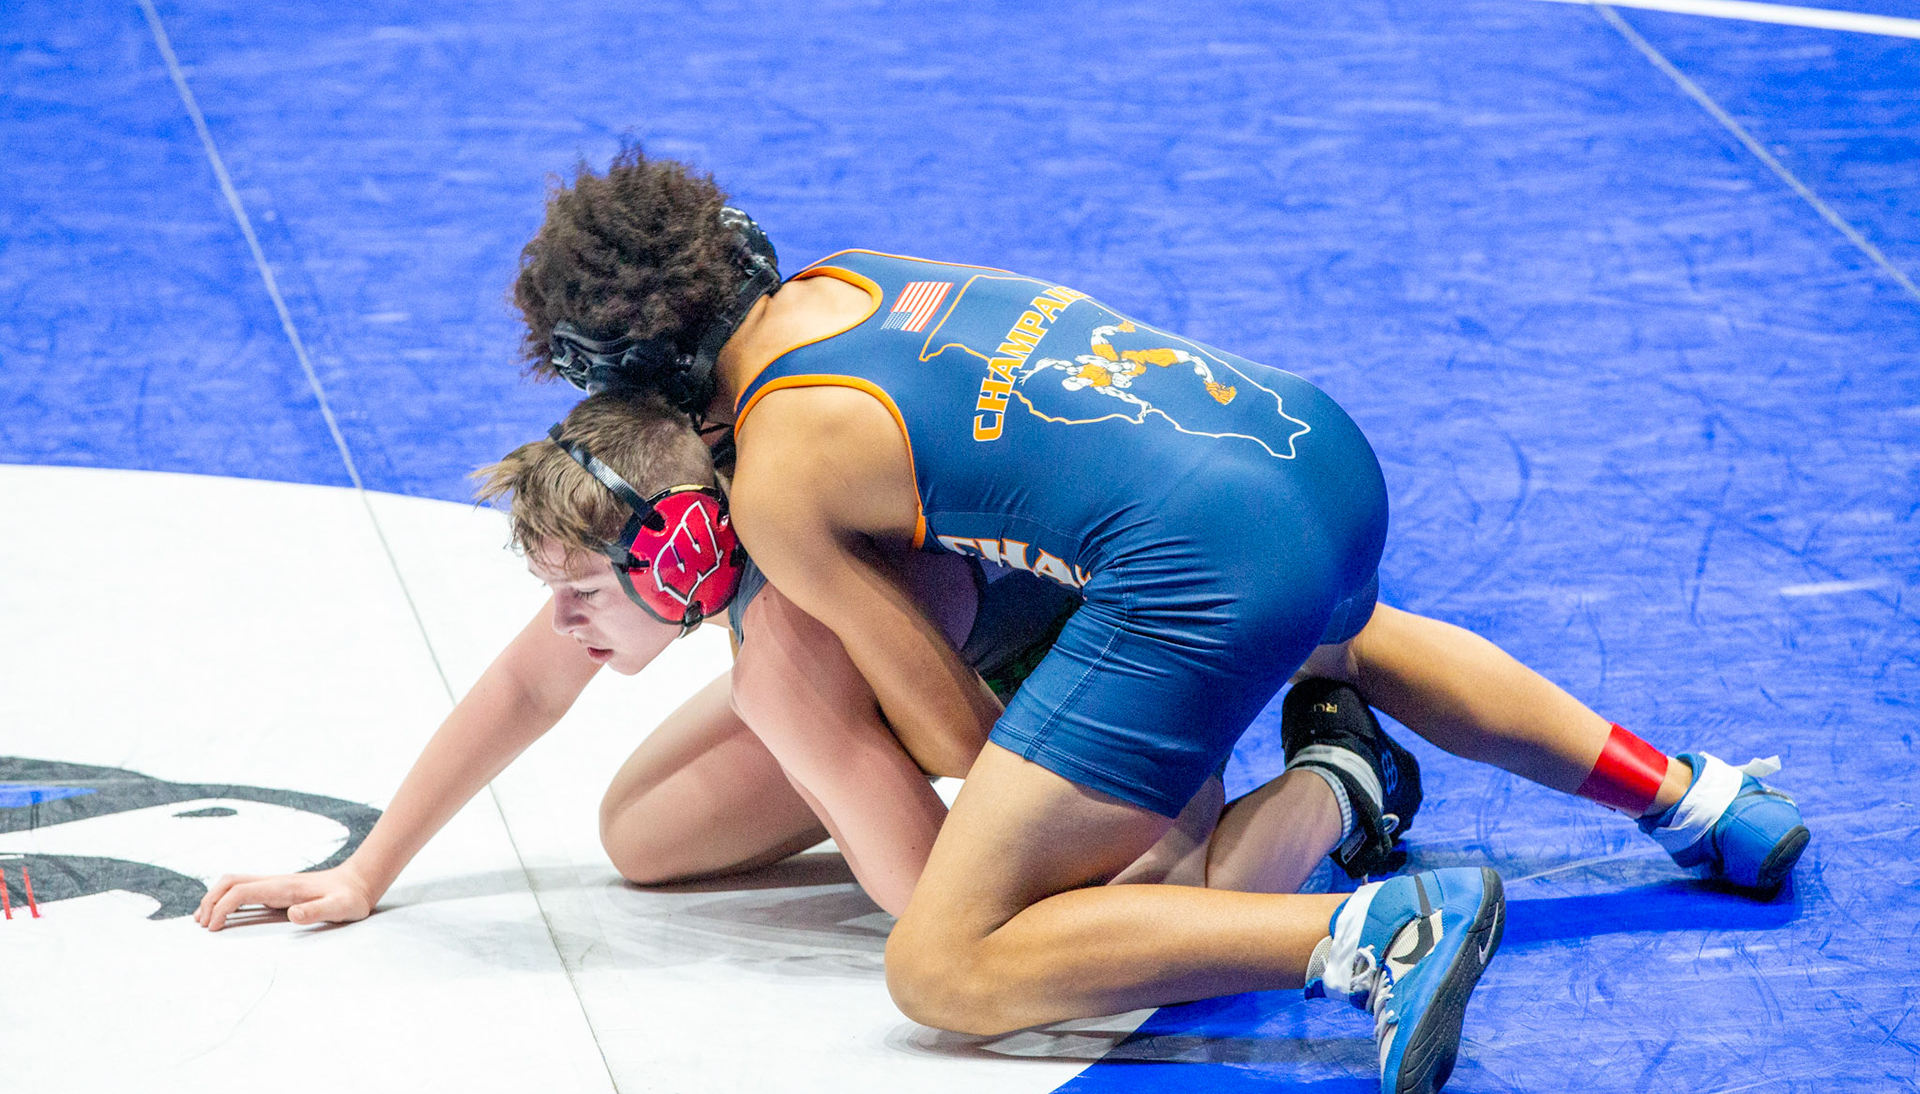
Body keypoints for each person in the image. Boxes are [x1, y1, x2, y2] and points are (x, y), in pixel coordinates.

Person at [506, 145, 1811, 1094]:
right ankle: (1699, 800)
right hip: (1307, 451)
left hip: (1201, 577)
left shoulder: (779, 477)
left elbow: (955, 737)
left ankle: (1374, 932)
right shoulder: (855, 278)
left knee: (945, 963)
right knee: (1355, 636)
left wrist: (853, 697)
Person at [192, 393, 1379, 938]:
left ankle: (1341, 774)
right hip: (961, 646)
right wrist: (366, 868)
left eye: (582, 594)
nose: (563, 624)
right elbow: (524, 686)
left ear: (680, 552)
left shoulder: (788, 642)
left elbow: (939, 907)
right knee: (643, 836)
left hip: (1103, 653)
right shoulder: (690, 503)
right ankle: (887, 749)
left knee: (1152, 914)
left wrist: (851, 768)